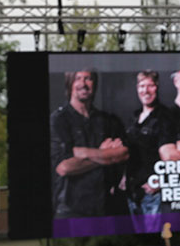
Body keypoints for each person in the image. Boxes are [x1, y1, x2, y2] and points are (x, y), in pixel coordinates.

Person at [50, 69, 128, 219]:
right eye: (78, 78)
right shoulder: (58, 120)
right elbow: (64, 167)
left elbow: (123, 154)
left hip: (105, 207)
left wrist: (83, 153)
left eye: (88, 78)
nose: (83, 83)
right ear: (70, 83)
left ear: (95, 84)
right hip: (70, 210)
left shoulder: (109, 121)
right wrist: (105, 155)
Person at [122, 69, 173, 218]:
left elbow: (172, 155)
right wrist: (124, 177)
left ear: (157, 87)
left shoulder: (166, 117)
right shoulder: (134, 117)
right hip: (133, 192)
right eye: (142, 86)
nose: (146, 90)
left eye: (150, 85)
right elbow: (129, 151)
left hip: (153, 193)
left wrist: (161, 182)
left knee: (156, 232)